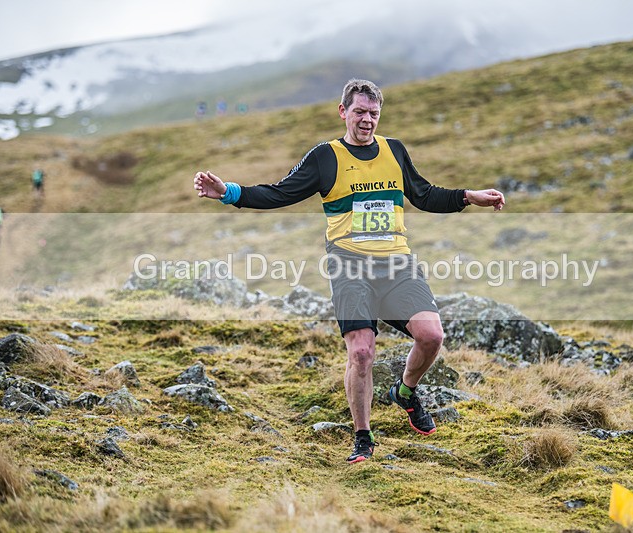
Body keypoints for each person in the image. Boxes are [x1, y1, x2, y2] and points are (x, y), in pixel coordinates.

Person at [193, 79, 505, 464]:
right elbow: (279, 193)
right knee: (361, 353)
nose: (367, 120)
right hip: (349, 266)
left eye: (374, 113)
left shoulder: (394, 151)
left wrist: (468, 197)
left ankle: (405, 392)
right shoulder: (326, 157)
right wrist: (229, 192)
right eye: (359, 112)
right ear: (343, 112)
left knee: (432, 335)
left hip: (396, 264)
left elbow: (423, 194)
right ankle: (363, 436)